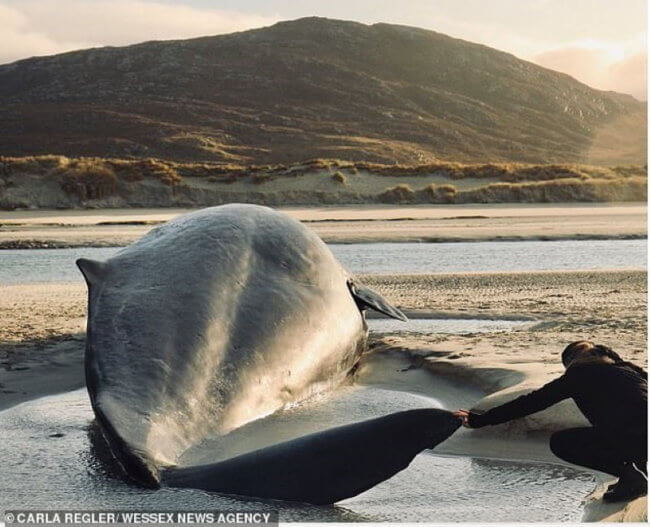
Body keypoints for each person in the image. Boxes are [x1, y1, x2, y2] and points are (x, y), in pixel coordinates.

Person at [454, 341, 647, 502]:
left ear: (572, 362)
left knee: (562, 442)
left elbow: (530, 403)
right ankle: (632, 477)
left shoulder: (578, 375)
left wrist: (481, 420)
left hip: (633, 437)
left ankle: (631, 477)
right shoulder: (631, 370)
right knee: (621, 426)